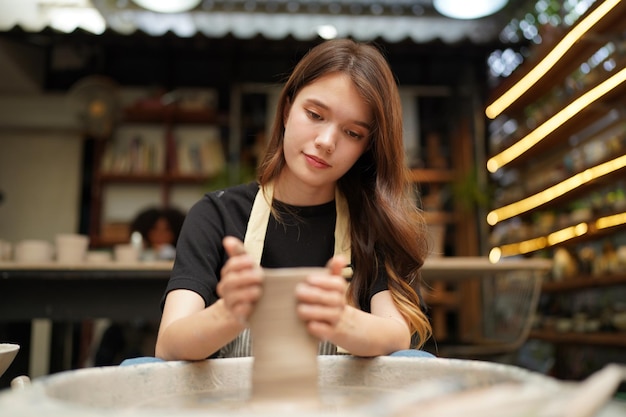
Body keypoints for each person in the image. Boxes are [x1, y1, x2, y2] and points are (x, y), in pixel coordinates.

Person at [154, 38, 433, 361]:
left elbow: (397, 335)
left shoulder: (370, 224)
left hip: (339, 409)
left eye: (353, 133)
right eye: (315, 115)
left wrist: (340, 320)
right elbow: (169, 344)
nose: (327, 141)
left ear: (367, 147)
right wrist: (228, 314)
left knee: (415, 361)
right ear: (287, 110)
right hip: (234, 408)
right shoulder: (216, 214)